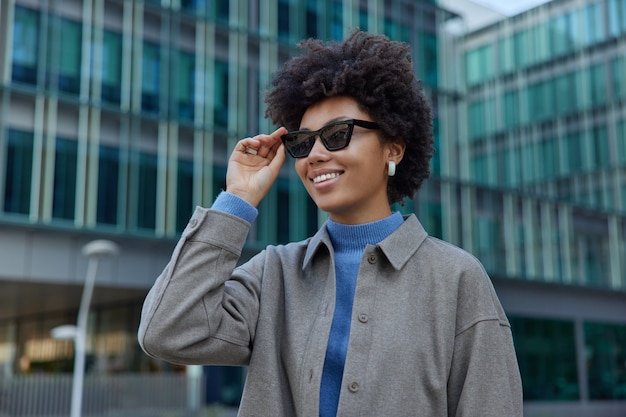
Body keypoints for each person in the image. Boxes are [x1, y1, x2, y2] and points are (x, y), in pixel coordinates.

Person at [138, 30, 523, 416]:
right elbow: (167, 331)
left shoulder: (456, 279)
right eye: (303, 143)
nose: (315, 155)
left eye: (338, 134)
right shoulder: (275, 275)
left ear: (393, 148)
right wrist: (238, 199)